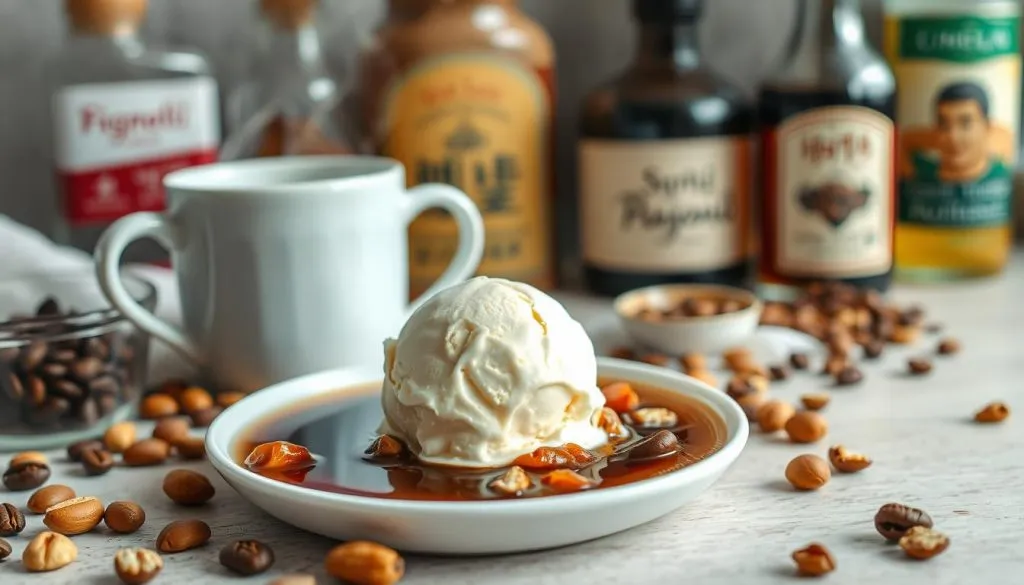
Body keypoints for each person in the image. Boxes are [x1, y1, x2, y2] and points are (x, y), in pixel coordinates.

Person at [899, 81, 1015, 183]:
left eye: (965, 124)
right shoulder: (921, 171)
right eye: (944, 125)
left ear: (987, 127)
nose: (953, 137)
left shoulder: (999, 173)